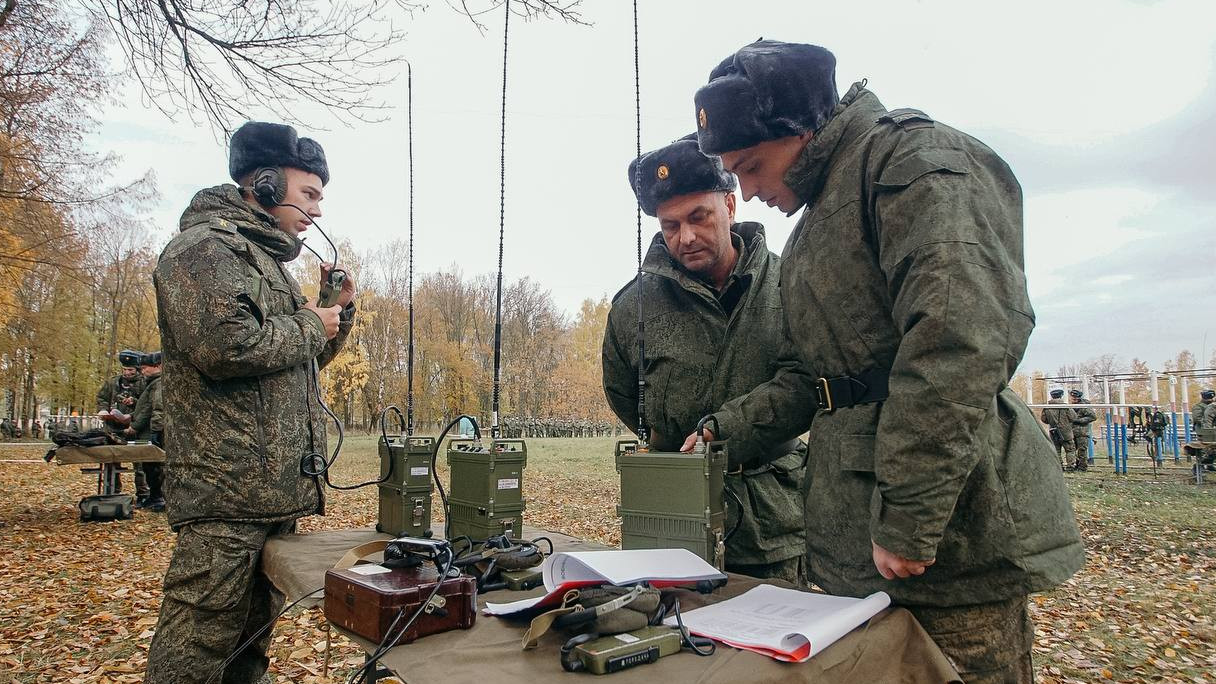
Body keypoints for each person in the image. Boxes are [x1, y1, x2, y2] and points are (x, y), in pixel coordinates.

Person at [683, 40, 1084, 683]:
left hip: (943, 550)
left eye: (752, 166)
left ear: (800, 128)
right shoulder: (828, 205)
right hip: (861, 547)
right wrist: (725, 430)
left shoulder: (915, 163)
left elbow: (958, 340)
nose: (749, 192)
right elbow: (823, 379)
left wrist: (909, 516)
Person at [144, 121, 356, 684]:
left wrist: (333, 316)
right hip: (226, 494)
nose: (317, 211)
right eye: (308, 194)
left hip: (266, 493)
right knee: (196, 648)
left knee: (247, 648)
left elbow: (290, 364)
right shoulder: (204, 249)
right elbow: (225, 347)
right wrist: (311, 323)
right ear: (262, 185)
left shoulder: (265, 265)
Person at [602, 135, 805, 583]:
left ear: (730, 207)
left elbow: (808, 382)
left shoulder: (790, 283)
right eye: (670, 225)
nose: (686, 237)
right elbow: (624, 396)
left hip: (769, 526)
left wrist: (727, 432)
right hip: (670, 526)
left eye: (699, 217)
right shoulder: (632, 308)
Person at [96, 349, 149, 497]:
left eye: (130, 370)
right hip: (113, 428)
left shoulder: (145, 383)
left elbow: (147, 405)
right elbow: (102, 398)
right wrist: (103, 411)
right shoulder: (113, 382)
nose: (127, 373)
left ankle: (143, 492)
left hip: (136, 427)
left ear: (137, 369)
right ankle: (112, 490)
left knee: (140, 463)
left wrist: (133, 404)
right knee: (111, 459)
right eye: (125, 369)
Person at [127, 352, 166, 511]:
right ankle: (155, 496)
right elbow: (146, 408)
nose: (142, 371)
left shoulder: (158, 384)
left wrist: (156, 430)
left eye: (145, 368)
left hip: (153, 431)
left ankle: (159, 498)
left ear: (157, 366)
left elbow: (158, 408)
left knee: (155, 467)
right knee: (149, 466)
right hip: (148, 430)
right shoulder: (153, 383)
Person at [1039, 389, 1077, 469]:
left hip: (1053, 431)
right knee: (1070, 449)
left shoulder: (1047, 407)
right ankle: (1070, 466)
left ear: (1052, 396)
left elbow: (1044, 419)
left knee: (1056, 450)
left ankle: (1059, 467)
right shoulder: (1065, 407)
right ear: (1061, 396)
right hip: (1066, 432)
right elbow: (1073, 417)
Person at [1067, 389, 1096, 472]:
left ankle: (1082, 467)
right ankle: (1076, 464)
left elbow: (1093, 417)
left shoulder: (1084, 407)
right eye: (1072, 398)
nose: (1073, 399)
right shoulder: (1071, 406)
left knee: (1082, 450)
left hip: (1082, 432)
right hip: (1072, 431)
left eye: (1075, 398)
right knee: (1072, 450)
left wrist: (1079, 420)